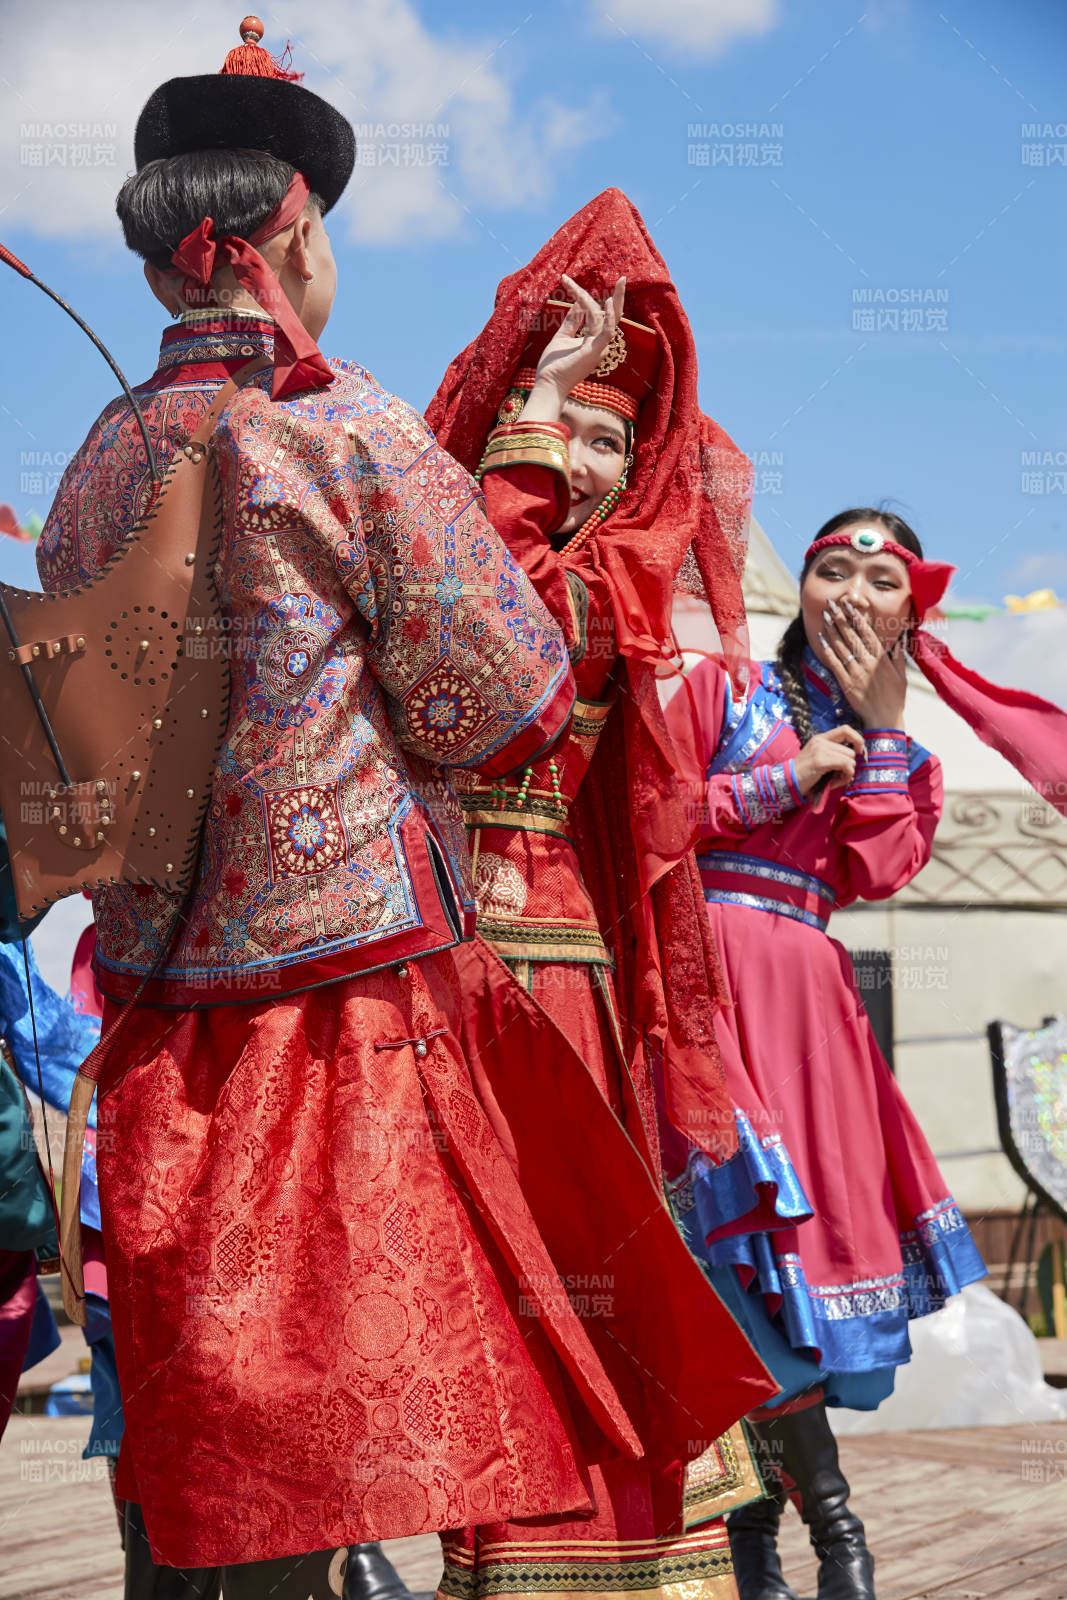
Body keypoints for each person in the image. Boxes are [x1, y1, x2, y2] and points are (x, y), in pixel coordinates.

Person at [29, 24, 740, 1600]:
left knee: (204, 1439)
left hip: (154, 1018)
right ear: (290, 232)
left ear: (166, 270)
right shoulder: (347, 429)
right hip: (341, 1013)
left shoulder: (91, 462)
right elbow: (504, 695)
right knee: (331, 1445)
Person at [426, 190, 775, 1600]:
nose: (582, 460)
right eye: (557, 423)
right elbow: (491, 652)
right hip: (484, 973)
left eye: (610, 438)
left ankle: (622, 1553)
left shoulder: (632, 617)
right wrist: (539, 419)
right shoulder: (495, 581)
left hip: (587, 984)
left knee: (601, 1272)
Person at [664, 505, 1067, 1599]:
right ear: (797, 583)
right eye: (828, 567)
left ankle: (818, 1535)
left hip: (803, 1009)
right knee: (720, 1278)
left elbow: (876, 871)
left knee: (782, 1277)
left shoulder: (910, 757)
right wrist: (780, 780)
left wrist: (882, 734)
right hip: (696, 987)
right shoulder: (721, 690)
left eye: (877, 578)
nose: (848, 590)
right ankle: (786, 1536)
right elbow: (649, 815)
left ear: (910, 606)